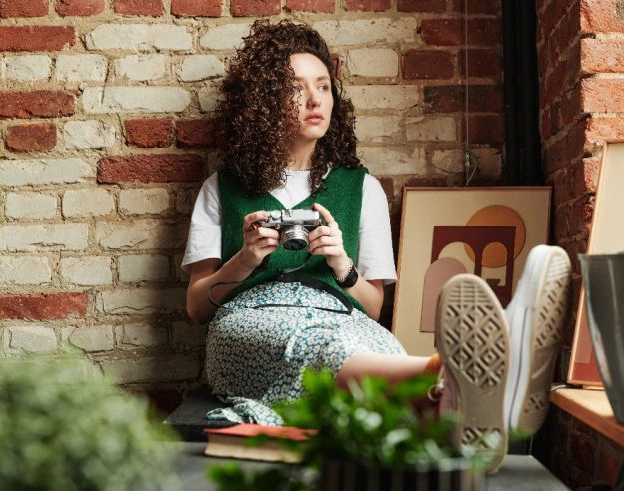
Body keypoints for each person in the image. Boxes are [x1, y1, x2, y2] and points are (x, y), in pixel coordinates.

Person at [181, 19, 571, 472]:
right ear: (265, 103)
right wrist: (245, 260)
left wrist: (341, 262)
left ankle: (462, 407)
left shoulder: (360, 188)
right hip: (250, 324)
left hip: (342, 316)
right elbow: (196, 307)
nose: (314, 100)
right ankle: (474, 376)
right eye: (295, 89)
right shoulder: (221, 188)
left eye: (324, 87)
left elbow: (372, 307)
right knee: (317, 345)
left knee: (378, 348)